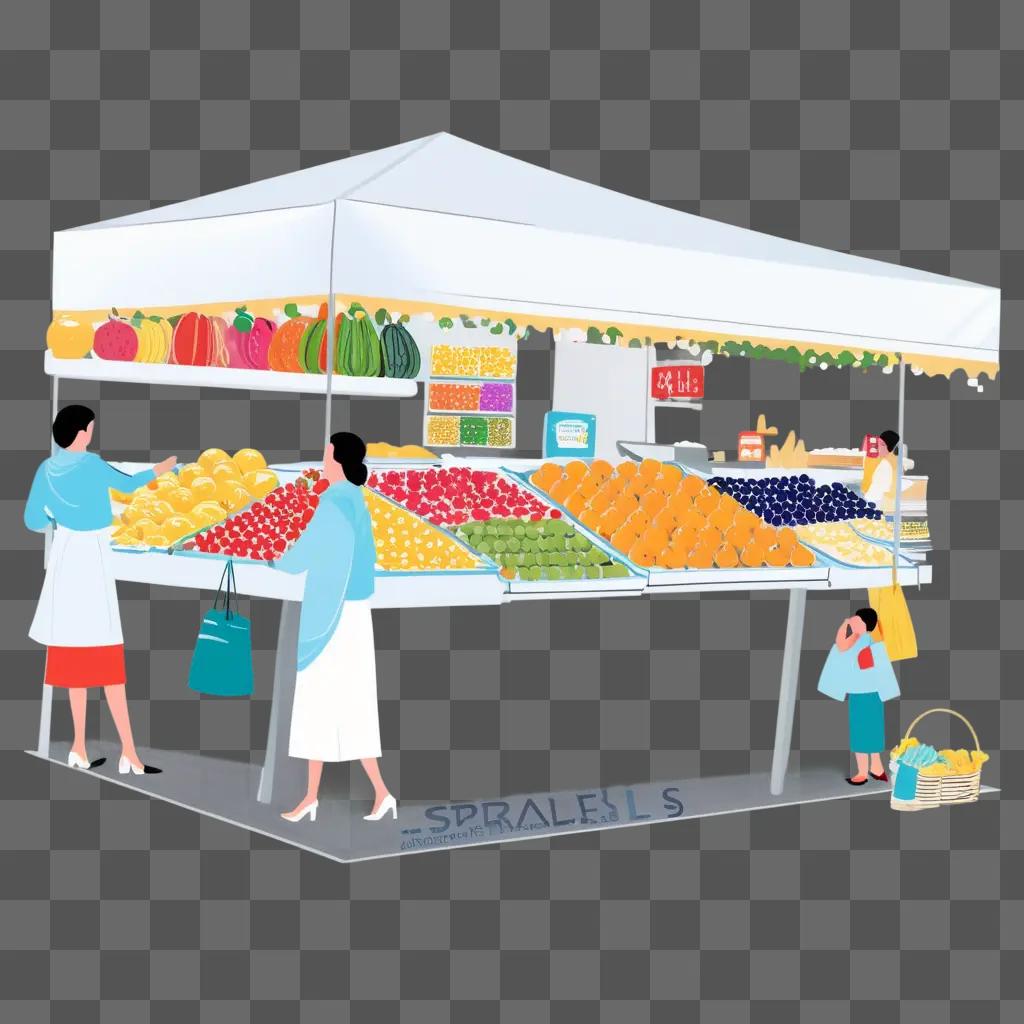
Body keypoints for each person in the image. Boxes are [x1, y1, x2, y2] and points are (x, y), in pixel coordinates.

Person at [25, 405, 174, 775]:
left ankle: (78, 747)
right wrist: (160, 469)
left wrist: (54, 515)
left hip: (64, 560)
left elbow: (31, 520)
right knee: (108, 662)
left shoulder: (46, 470)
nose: (91, 434)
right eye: (90, 429)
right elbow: (125, 483)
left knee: (74, 660)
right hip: (91, 559)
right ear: (82, 433)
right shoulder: (90, 465)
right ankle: (129, 754)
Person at [275, 431, 395, 824]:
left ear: (336, 458)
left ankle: (318, 796)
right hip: (356, 611)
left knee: (318, 701)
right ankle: (368, 793)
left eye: (326, 453)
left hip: (333, 615)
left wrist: (273, 560)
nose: (323, 458)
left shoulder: (332, 504)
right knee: (354, 704)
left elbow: (303, 556)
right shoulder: (357, 500)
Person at [817, 607, 900, 785]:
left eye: (857, 619)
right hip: (857, 693)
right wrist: (845, 623)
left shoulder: (872, 642)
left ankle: (876, 767)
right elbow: (840, 644)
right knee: (860, 733)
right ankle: (863, 771)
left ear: (865, 624)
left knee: (873, 731)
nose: (853, 620)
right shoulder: (853, 639)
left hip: (873, 693)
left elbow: (879, 663)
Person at [862, 429, 902, 509]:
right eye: (878, 443)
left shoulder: (887, 464)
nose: (878, 446)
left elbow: (883, 490)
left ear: (890, 449)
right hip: (869, 499)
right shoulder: (872, 459)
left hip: (877, 502)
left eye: (882, 445)